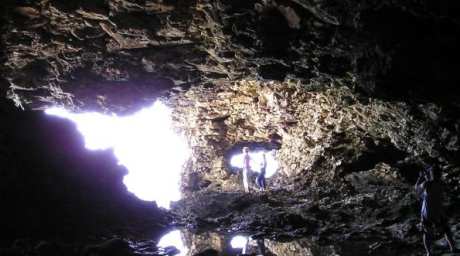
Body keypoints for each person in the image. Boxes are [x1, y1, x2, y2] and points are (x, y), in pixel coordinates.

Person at [415, 165, 456, 256]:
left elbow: (417, 189)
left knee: (427, 232)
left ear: (431, 174)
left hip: (428, 212)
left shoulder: (427, 184)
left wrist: (421, 177)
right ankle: (452, 247)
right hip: (438, 210)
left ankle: (429, 253)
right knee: (446, 229)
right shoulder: (441, 183)